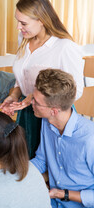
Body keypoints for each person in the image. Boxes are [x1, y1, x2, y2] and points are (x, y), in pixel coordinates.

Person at [0, 0, 84, 158]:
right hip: (27, 113)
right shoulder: (23, 39)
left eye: (23, 23)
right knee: (27, 161)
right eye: (17, 21)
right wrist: (14, 95)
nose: (18, 27)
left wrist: (35, 98)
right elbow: (21, 79)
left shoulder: (64, 47)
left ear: (42, 21)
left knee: (51, 166)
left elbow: (76, 91)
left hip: (53, 115)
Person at [31, 69, 94, 207]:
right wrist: (8, 175)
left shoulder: (90, 139)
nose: (31, 103)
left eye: (36, 102)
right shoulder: (47, 122)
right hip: (51, 203)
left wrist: (63, 194)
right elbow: (41, 160)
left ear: (54, 110)